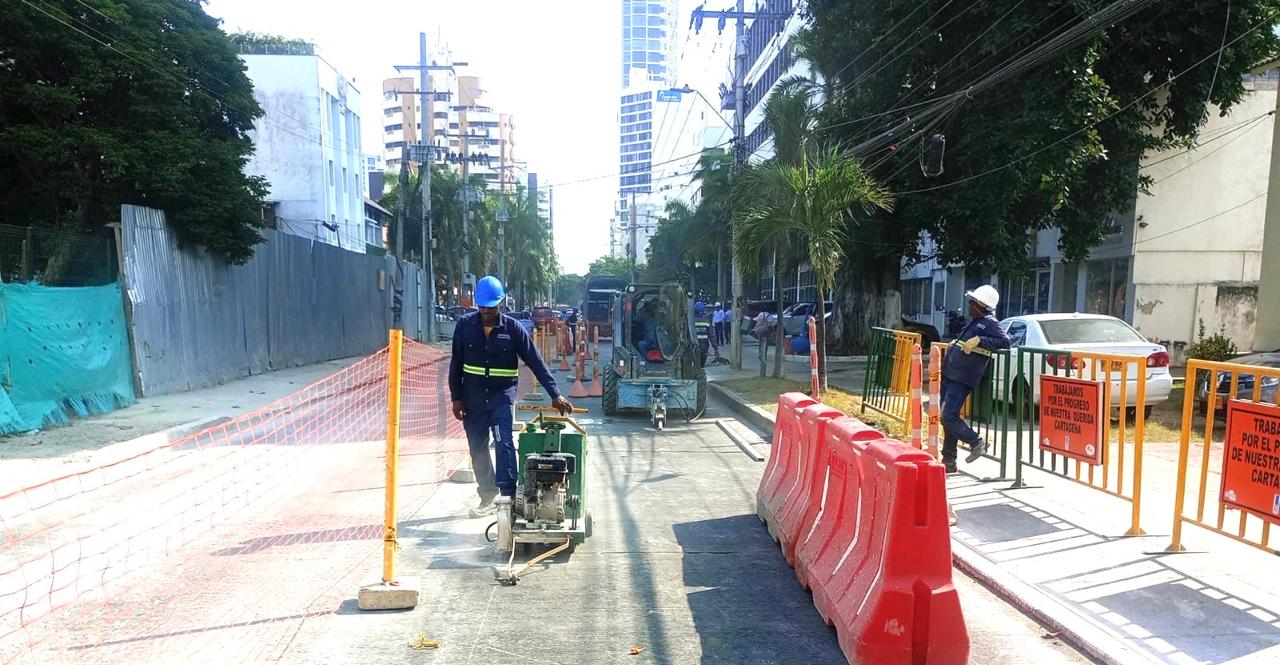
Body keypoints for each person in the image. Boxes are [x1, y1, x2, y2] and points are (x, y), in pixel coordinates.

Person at [450, 276, 575, 517]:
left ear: (501, 303)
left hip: (501, 396)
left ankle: (508, 496)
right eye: (482, 306)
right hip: (472, 398)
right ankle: (487, 495)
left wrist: (555, 394)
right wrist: (456, 397)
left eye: (491, 306)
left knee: (504, 442)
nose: (486, 311)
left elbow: (536, 362)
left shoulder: (513, 329)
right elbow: (456, 363)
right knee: (477, 448)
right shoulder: (464, 327)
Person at [939, 285, 1011, 474]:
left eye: (972, 302)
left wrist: (980, 340)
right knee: (947, 419)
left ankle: (976, 441)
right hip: (951, 374)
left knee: (948, 416)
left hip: (962, 377)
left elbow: (1005, 342)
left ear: (981, 305)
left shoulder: (989, 323)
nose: (969, 305)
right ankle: (949, 462)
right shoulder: (975, 321)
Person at [693, 301, 714, 367]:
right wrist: (715, 347)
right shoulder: (706, 322)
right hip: (704, 347)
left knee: (695, 364)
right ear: (701, 311)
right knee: (702, 365)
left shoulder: (691, 321)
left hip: (694, 346)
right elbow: (711, 336)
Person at [753, 309, 772, 373]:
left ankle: (760, 354)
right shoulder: (769, 316)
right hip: (766, 331)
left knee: (760, 343)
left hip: (759, 331)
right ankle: (765, 355)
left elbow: (756, 320)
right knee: (766, 344)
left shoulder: (760, 314)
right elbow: (770, 324)